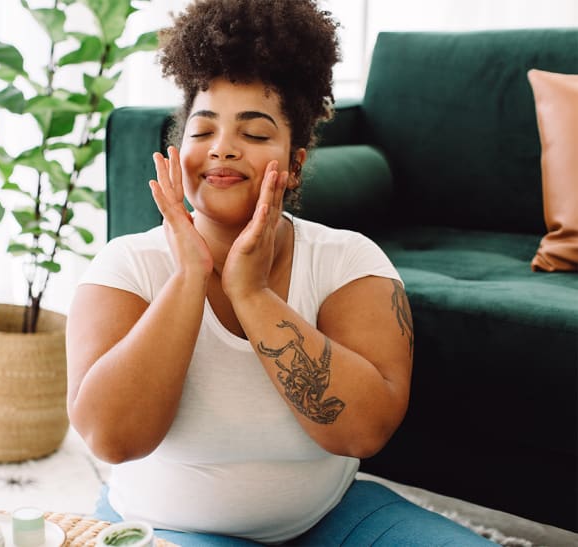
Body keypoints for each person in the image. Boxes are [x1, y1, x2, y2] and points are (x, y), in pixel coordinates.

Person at [65, 0, 495, 545]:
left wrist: (252, 292)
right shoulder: (125, 265)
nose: (222, 148)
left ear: (294, 163)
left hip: (332, 520)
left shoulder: (349, 261)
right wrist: (189, 278)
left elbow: (364, 431)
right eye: (203, 132)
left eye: (255, 132)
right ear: (179, 153)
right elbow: (112, 439)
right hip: (169, 525)